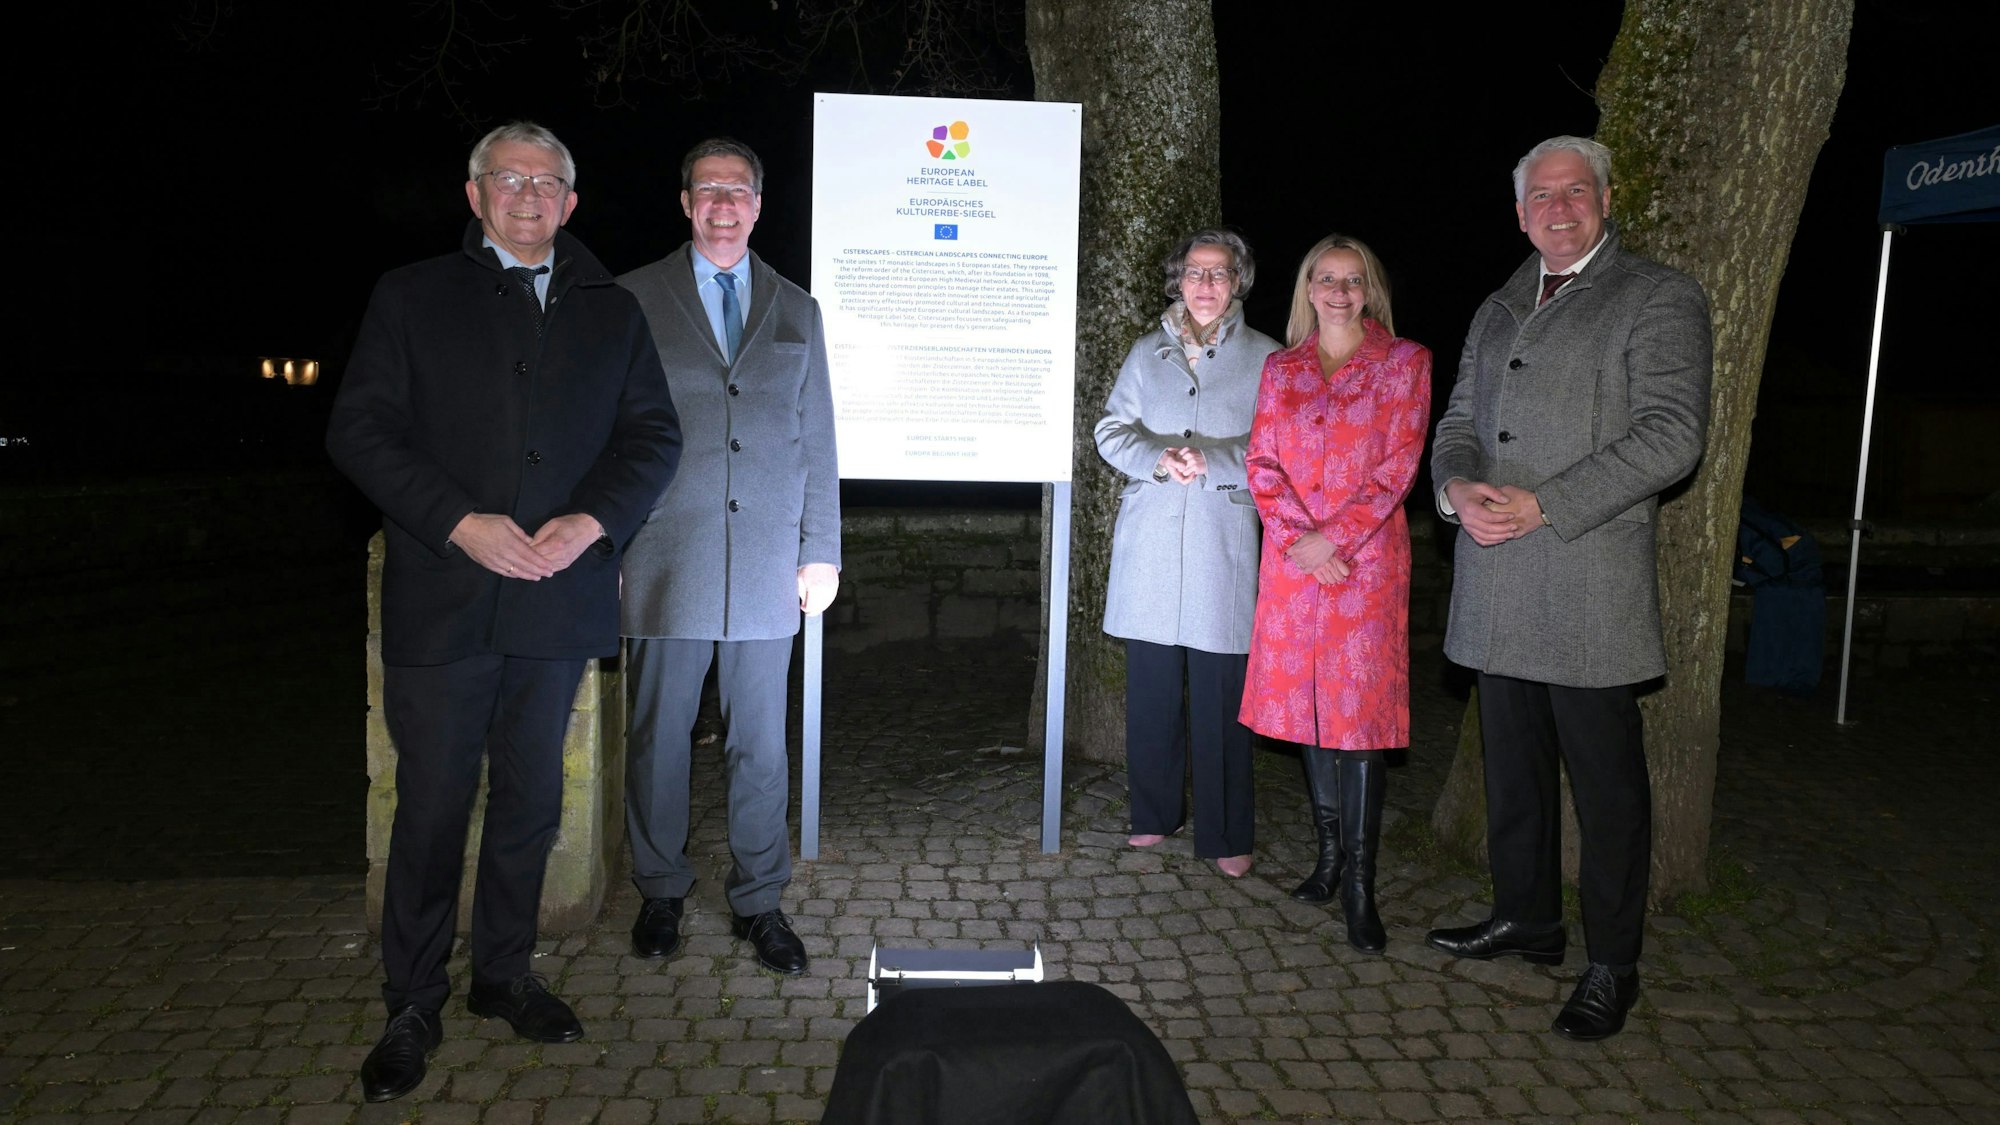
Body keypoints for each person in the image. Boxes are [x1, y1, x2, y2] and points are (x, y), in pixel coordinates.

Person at [326, 121, 682, 1102]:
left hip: (555, 601)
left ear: (572, 204)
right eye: (507, 177)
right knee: (433, 809)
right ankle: (411, 1001)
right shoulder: (410, 296)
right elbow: (357, 428)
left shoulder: (611, 312)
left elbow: (653, 436)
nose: (527, 193)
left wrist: (590, 523)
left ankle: (503, 973)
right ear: (474, 194)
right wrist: (457, 523)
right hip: (442, 602)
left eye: (547, 181)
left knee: (531, 803)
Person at [1425, 135, 1711, 1041]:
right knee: (1511, 771)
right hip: (1495, 579)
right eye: (1540, 195)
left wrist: (1548, 503)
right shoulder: (1499, 304)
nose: (1558, 206)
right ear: (1519, 213)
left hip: (1588, 583)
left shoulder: (1657, 295)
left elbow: (1673, 435)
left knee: (1609, 792)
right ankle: (1528, 918)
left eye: (1575, 190)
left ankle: (1612, 964)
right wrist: (1454, 487)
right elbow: (1459, 423)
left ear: (1605, 198)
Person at [617, 138, 840, 977]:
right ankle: (661, 890)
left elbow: (817, 436)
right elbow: (609, 431)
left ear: (758, 204)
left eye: (737, 190)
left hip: (766, 561)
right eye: (707, 189)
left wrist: (822, 547)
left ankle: (759, 900)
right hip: (663, 554)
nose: (722, 205)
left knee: (761, 741)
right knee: (658, 735)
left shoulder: (795, 307)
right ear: (684, 202)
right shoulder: (634, 298)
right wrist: (606, 541)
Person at [1240, 234, 1432, 954]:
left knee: (1357, 720)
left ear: (1370, 288)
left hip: (1364, 567)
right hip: (1295, 568)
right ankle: (1326, 857)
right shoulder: (1280, 368)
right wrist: (1298, 539)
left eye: (1354, 280)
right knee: (1311, 713)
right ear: (1308, 288)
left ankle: (1361, 884)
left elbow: (1399, 464)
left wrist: (1335, 540)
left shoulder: (1404, 362)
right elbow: (1261, 461)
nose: (1340, 291)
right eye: (1327, 278)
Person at [1095, 229, 1279, 879]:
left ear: (1238, 282)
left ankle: (1228, 831)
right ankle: (1153, 813)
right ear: (1178, 280)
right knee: (1148, 691)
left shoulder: (1267, 357)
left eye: (1219, 273)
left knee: (1222, 696)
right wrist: (1156, 456)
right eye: (1195, 273)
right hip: (1150, 540)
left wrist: (1216, 460)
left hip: (1221, 543)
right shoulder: (1146, 354)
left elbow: (1277, 448)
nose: (1205, 284)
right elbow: (1110, 431)